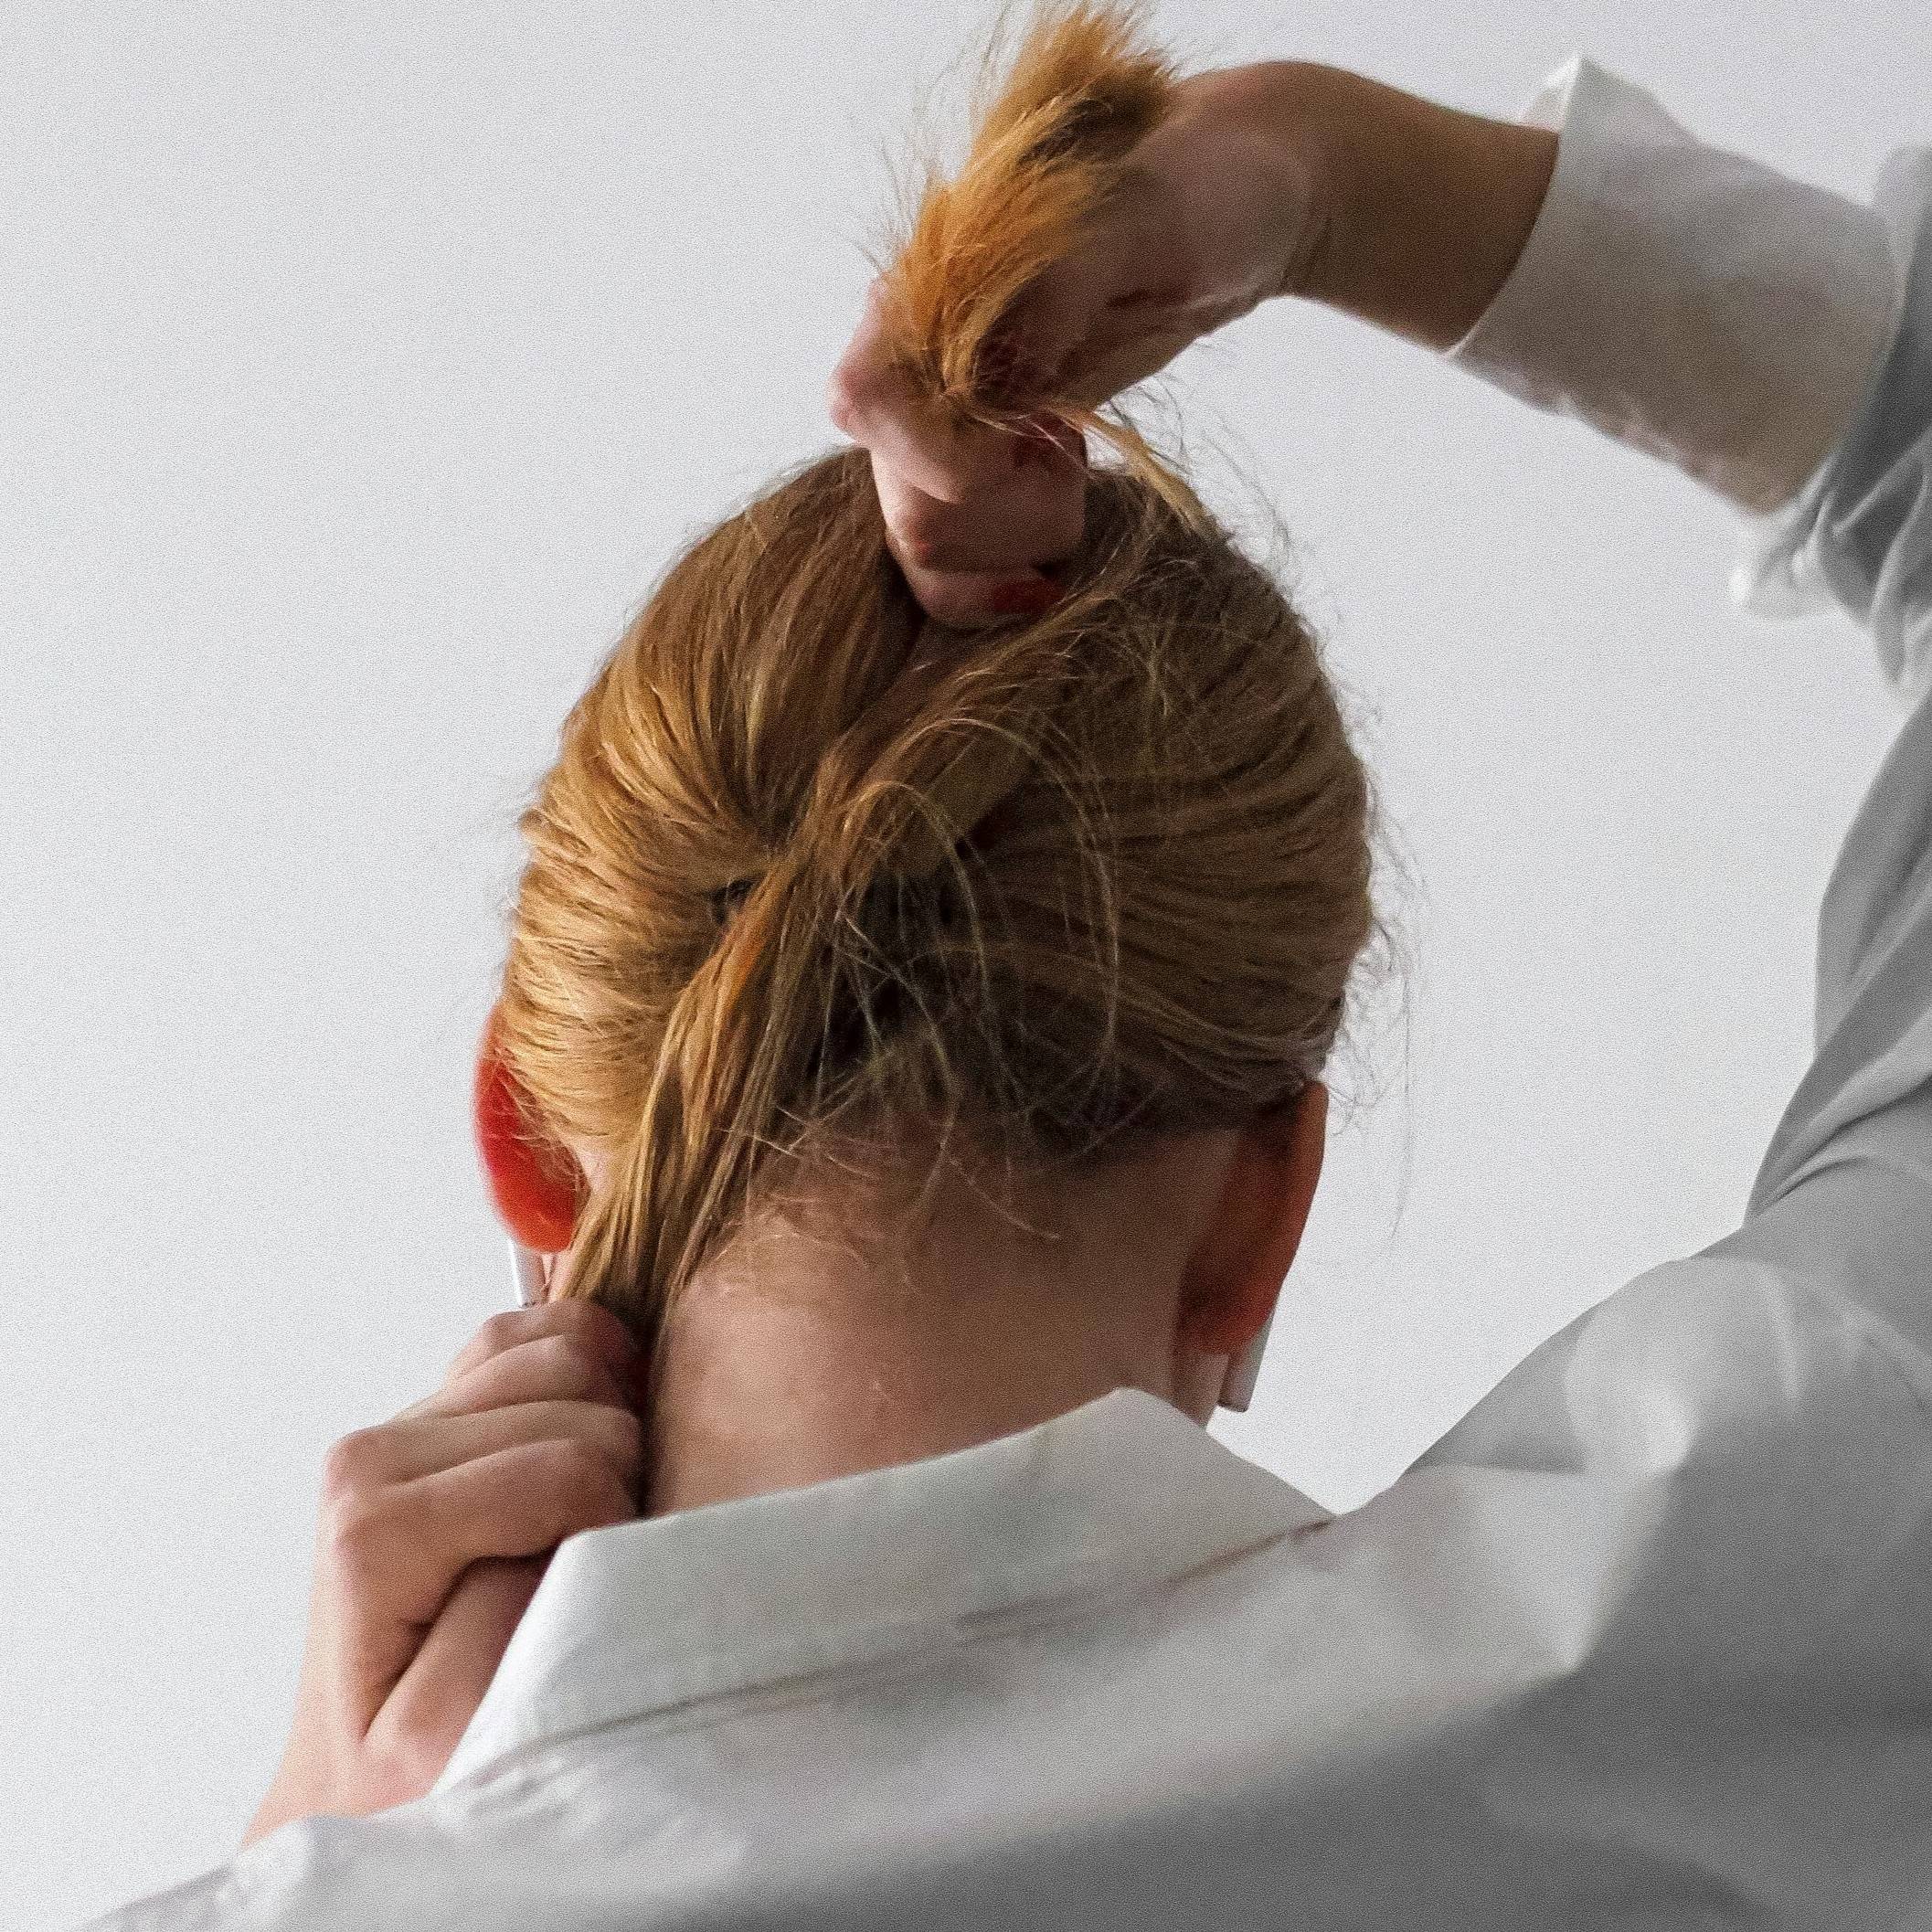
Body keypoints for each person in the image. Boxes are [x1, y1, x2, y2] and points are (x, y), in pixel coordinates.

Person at [80, 4, 1932, 1927]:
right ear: (1258, 1212)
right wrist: (1328, 174)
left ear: (526, 1141)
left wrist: (303, 1855)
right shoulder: (1740, 1595)